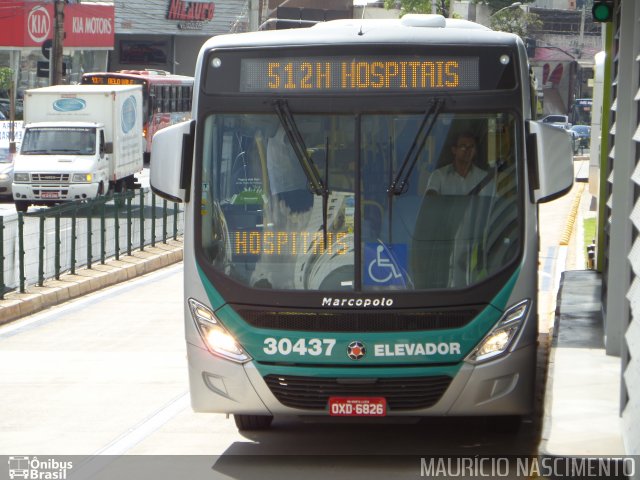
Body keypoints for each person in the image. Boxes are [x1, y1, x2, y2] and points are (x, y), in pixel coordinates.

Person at [425, 132, 493, 196]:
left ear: (475, 151)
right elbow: (430, 200)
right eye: (463, 147)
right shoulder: (438, 175)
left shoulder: (484, 177)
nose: (468, 150)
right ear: (454, 150)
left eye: (471, 147)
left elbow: (494, 204)